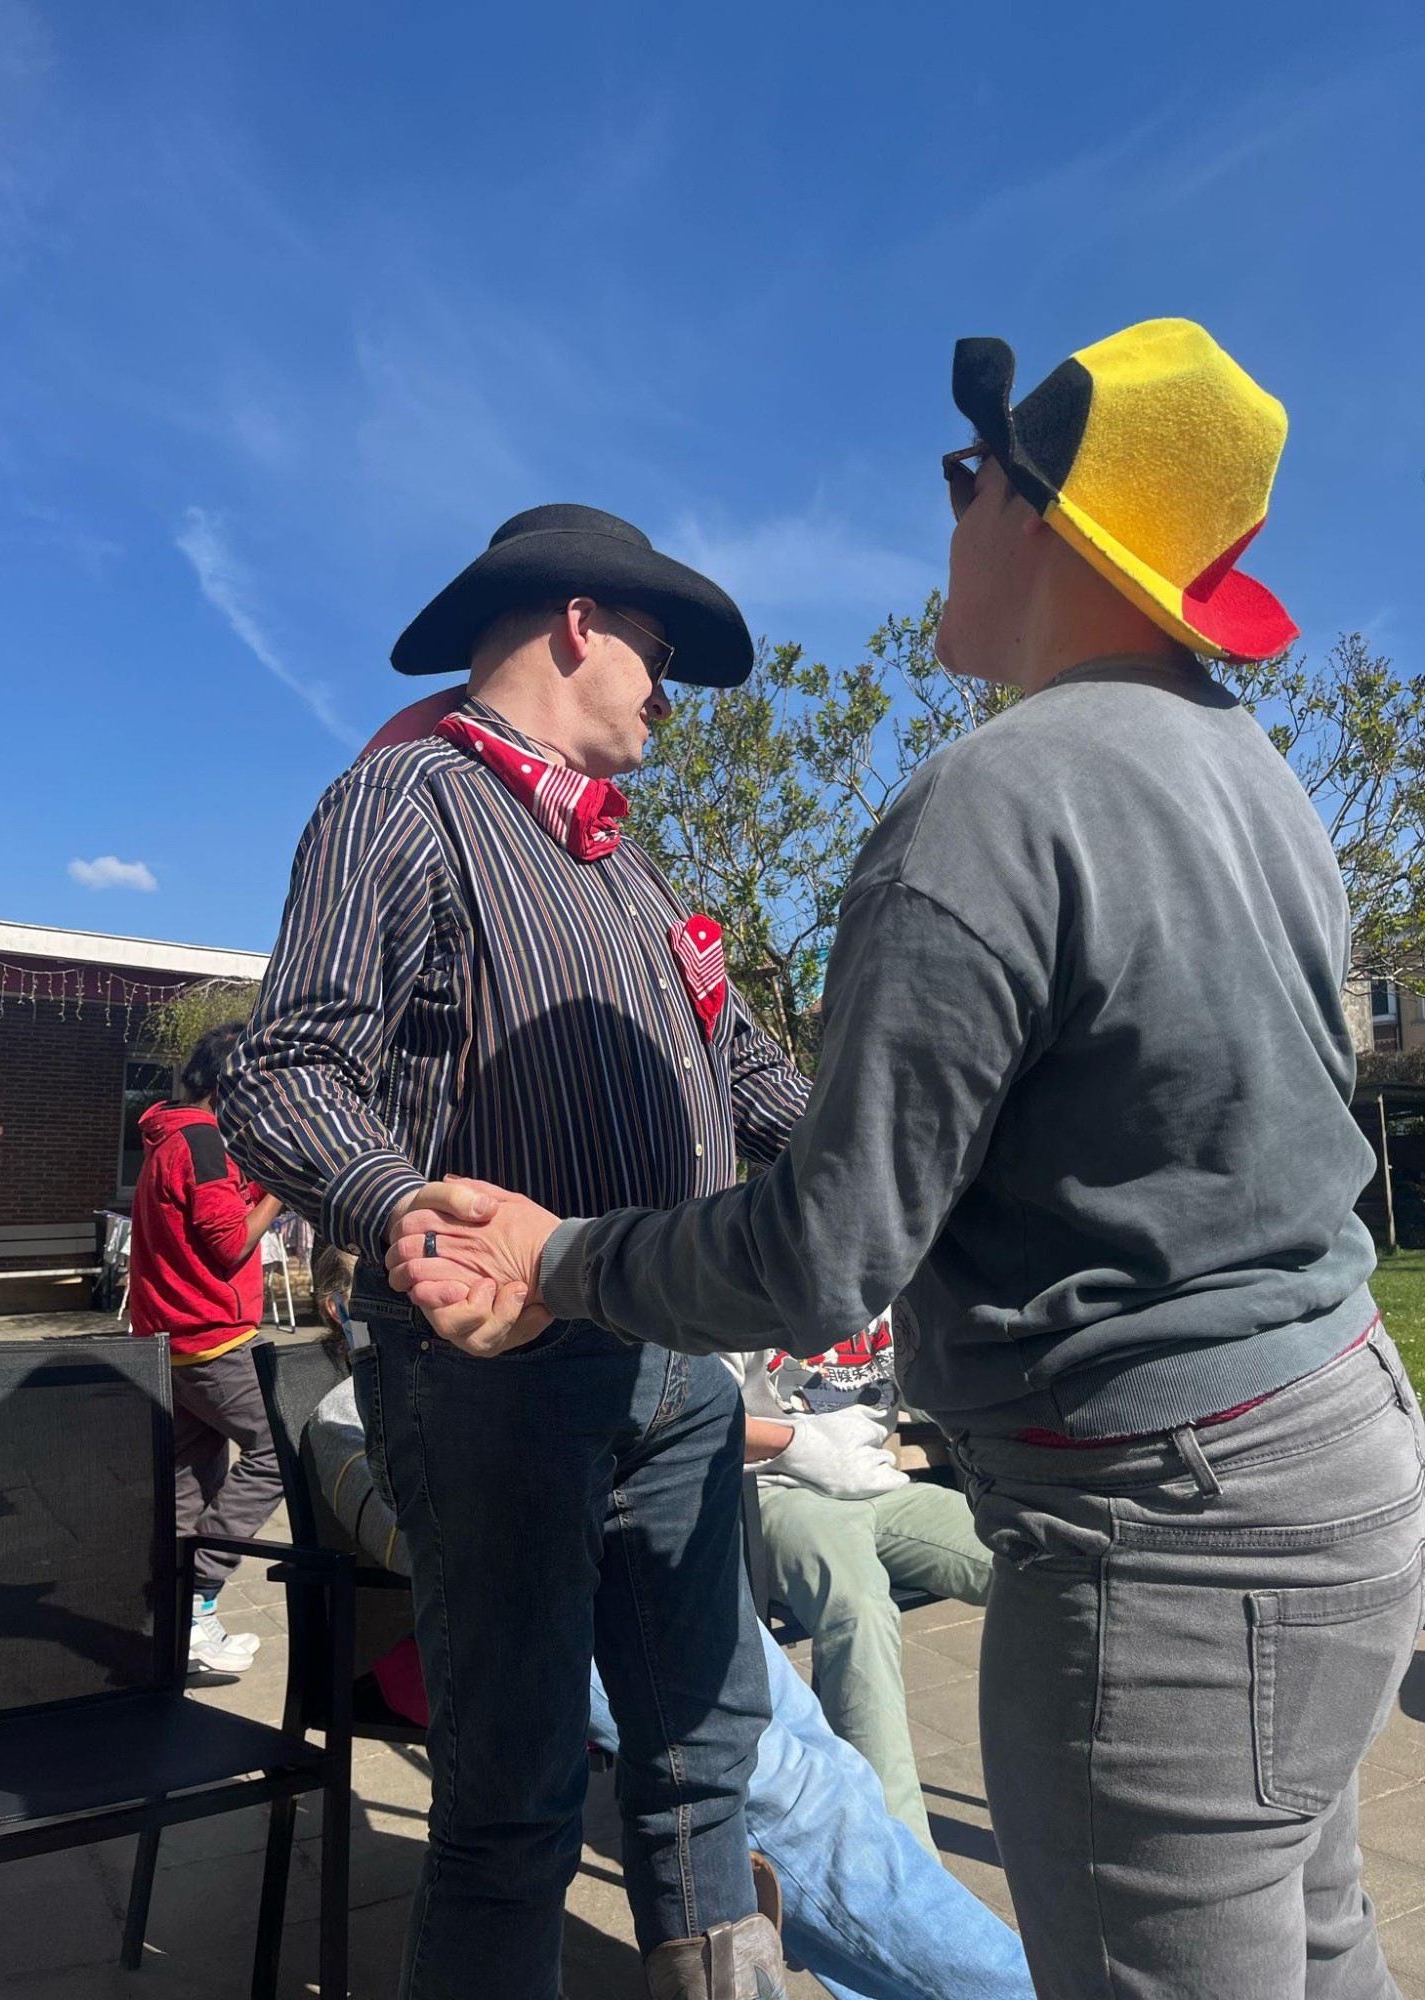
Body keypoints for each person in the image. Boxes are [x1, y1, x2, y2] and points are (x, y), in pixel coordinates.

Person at [392, 322, 1425, 2000]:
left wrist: (558, 1257)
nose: (947, 512)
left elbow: (828, 1254)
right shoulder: (1263, 785)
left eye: (967, 477)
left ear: (1040, 517)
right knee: (1322, 1949)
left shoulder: (989, 806)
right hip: (1346, 1454)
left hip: (1164, 1536)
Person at [218, 505, 813, 2000]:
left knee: (706, 1763)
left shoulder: (629, 869)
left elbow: (753, 1081)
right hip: (495, 1372)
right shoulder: (402, 801)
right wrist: (403, 1206)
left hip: (675, 1357)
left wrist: (921, 1153)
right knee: (518, 1796)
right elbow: (284, 1070)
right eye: (657, 653)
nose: (668, 695)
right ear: (576, 622)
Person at [303, 1243, 1035, 2000]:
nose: (453, 1280)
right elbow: (425, 1542)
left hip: (646, 1581)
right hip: (524, 1617)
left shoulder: (602, 1352)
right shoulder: (347, 1409)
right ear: (348, 1310)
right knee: (780, 1792)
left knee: (822, 1769)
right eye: (405, 1269)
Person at [730, 1317, 991, 1855]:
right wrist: (795, 1441)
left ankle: (1085, 1797)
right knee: (860, 1611)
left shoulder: (896, 1290)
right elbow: (697, 1415)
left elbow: (937, 1388)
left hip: (883, 1487)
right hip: (780, 1493)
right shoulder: (735, 1283)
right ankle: (900, 1860)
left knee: (1030, 1561)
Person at [127, 1021, 284, 1674]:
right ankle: (202, 1585)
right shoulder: (204, 1141)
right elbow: (229, 1245)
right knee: (279, 1450)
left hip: (170, 1340)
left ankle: (177, 1627)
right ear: (230, 1086)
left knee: (191, 1481)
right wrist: (282, 1188)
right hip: (211, 1341)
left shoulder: (172, 1136)